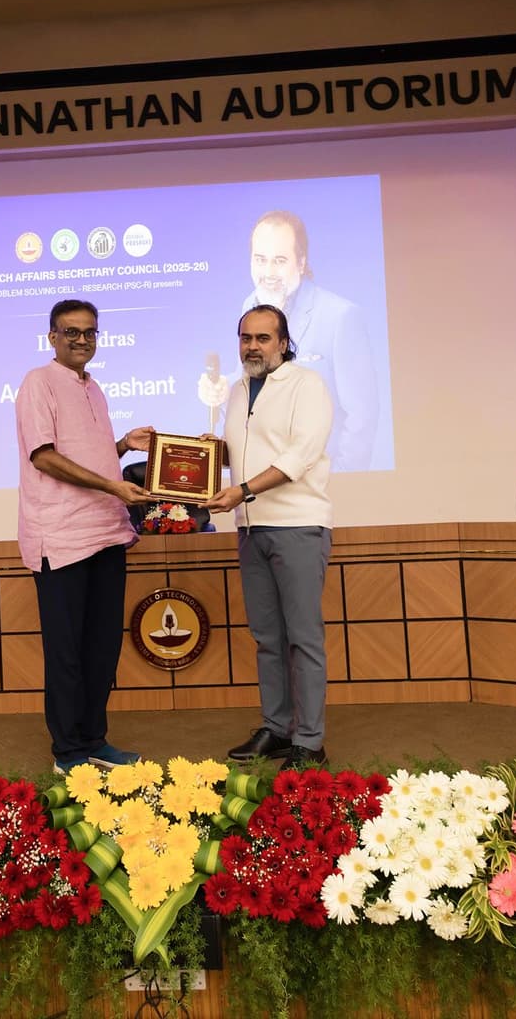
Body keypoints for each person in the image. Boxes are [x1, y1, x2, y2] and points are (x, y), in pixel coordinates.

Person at [15, 299, 155, 774]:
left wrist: (122, 447)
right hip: (61, 539)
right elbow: (45, 457)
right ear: (51, 337)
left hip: (106, 534)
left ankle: (95, 740)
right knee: (67, 653)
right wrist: (113, 484)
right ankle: (68, 752)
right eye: (70, 332)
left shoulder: (94, 389)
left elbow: (88, 457)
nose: (81, 340)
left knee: (101, 649)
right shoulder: (39, 382)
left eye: (89, 332)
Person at [204, 304, 334, 770]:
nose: (252, 347)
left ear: (283, 342)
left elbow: (299, 456)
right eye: (245, 338)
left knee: (303, 638)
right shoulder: (239, 390)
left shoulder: (308, 385)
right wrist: (203, 456)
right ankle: (277, 729)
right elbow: (241, 455)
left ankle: (310, 740)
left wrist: (241, 489)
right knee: (267, 638)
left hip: (297, 524)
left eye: (263, 338)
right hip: (251, 526)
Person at [240, 209, 378, 471]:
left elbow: (362, 416)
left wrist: (344, 479)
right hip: (262, 485)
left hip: (320, 486)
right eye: (260, 259)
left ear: (301, 262)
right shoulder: (250, 306)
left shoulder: (340, 316)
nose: (267, 271)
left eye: (279, 260)